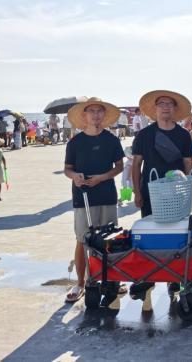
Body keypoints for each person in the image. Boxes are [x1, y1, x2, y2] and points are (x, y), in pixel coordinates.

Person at [63, 97, 124, 304]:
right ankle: (81, 282)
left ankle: (111, 280)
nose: (96, 115)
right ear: (85, 115)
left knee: (109, 239)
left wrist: (103, 177)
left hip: (106, 194)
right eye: (92, 111)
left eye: (99, 111)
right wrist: (75, 177)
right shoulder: (75, 142)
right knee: (83, 239)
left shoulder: (112, 140)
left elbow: (119, 166)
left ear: (104, 115)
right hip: (83, 196)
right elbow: (67, 169)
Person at [131, 90, 192, 218]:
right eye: (161, 103)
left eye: (170, 103)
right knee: (151, 228)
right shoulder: (144, 134)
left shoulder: (184, 134)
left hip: (176, 191)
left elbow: (188, 162)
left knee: (177, 227)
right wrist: (137, 192)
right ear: (155, 108)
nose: (166, 107)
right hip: (150, 192)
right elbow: (136, 164)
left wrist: (184, 187)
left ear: (175, 108)